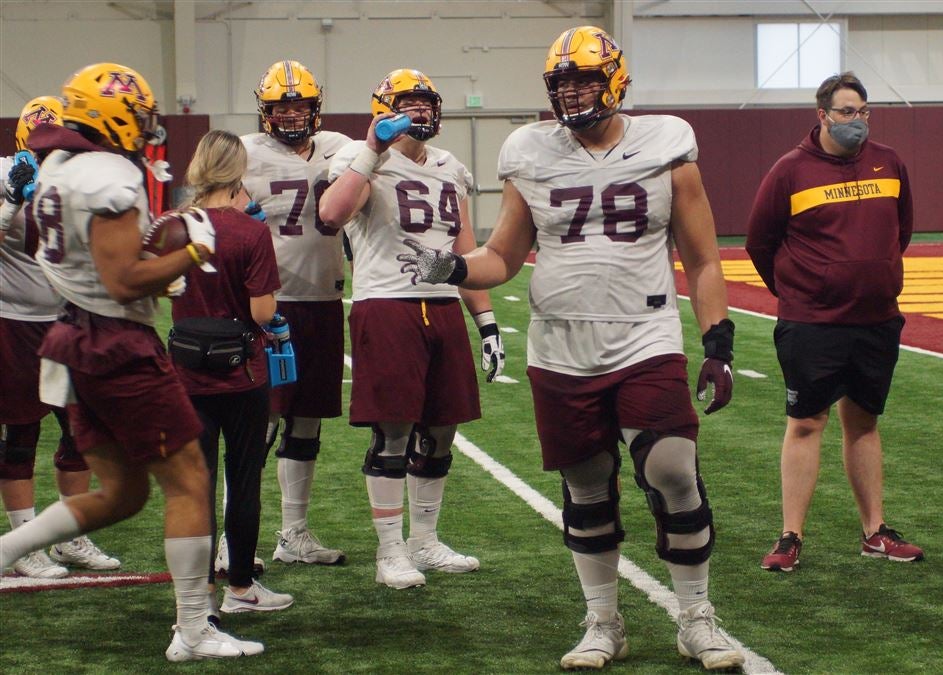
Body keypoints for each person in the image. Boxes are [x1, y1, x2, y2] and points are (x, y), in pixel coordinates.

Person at [397, 26, 744, 671]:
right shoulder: (529, 149)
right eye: (563, 83)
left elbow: (701, 257)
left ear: (615, 79)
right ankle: (603, 620)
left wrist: (718, 340)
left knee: (671, 469)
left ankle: (696, 617)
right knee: (587, 485)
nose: (574, 93)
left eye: (585, 79)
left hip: (645, 336)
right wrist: (452, 270)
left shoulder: (667, 142)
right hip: (560, 345)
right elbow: (502, 255)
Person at [0, 62, 262, 660]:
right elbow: (123, 281)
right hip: (115, 340)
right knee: (191, 480)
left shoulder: (58, 167)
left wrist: (144, 267)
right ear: (111, 114)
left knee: (122, 493)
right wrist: (191, 251)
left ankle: (4, 552)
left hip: (72, 333)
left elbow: (79, 258)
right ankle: (193, 630)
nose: (147, 124)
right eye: (138, 112)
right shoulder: (107, 174)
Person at [319, 69, 503, 589]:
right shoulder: (362, 158)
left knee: (442, 428)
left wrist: (486, 323)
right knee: (394, 429)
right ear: (383, 108)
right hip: (388, 304)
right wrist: (371, 152)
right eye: (408, 103)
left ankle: (425, 541)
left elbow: (466, 253)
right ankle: (390, 552)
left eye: (425, 102)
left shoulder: (451, 166)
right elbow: (332, 214)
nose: (419, 111)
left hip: (443, 305)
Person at [746, 71, 923, 572]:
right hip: (812, 322)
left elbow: (901, 229)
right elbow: (760, 242)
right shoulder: (789, 171)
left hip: (876, 319)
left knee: (864, 422)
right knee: (806, 422)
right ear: (822, 115)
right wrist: (801, 289)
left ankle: (875, 532)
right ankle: (790, 536)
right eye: (847, 112)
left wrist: (875, 275)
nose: (857, 121)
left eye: (864, 112)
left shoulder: (890, 163)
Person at [170, 129, 293, 615]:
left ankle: (198, 598)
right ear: (238, 171)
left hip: (186, 373)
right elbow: (263, 312)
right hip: (241, 374)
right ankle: (240, 587)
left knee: (192, 487)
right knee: (243, 482)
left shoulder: (173, 225)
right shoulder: (250, 231)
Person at [1, 95, 121, 578]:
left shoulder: (77, 179)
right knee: (20, 434)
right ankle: (20, 542)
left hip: (70, 320)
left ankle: (67, 539)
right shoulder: (6, 173)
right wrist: (12, 198)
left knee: (79, 432)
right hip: (14, 321)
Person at [241, 60, 352, 566]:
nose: (291, 114)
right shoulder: (244, 152)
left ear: (315, 107)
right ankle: (232, 536)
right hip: (268, 304)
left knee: (307, 422)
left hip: (323, 303)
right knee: (258, 425)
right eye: (282, 105)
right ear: (265, 110)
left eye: (300, 104)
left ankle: (294, 533)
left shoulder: (337, 146)